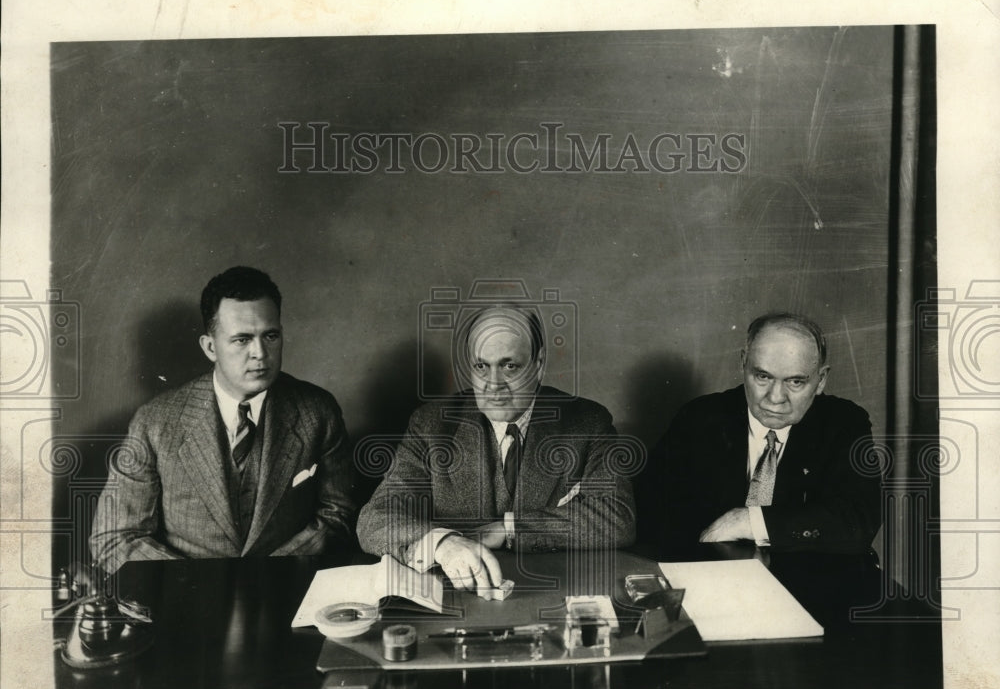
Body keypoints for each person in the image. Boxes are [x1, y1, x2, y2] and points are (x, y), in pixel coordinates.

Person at [90, 266, 357, 572]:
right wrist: (198, 584)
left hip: (288, 593)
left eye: (270, 336)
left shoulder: (317, 411)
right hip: (186, 601)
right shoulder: (155, 423)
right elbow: (115, 537)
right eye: (242, 340)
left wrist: (269, 575)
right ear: (210, 347)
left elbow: (339, 514)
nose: (260, 353)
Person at [356, 304, 636, 595]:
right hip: (457, 598)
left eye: (509, 366)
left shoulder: (587, 421)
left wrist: (509, 528)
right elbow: (375, 518)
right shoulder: (431, 424)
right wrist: (441, 543)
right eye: (481, 366)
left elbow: (618, 517)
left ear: (538, 365)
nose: (493, 385)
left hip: (552, 593)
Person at [644, 313, 882, 566]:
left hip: (810, 582)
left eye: (795, 381)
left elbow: (858, 521)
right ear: (743, 364)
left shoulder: (843, 422)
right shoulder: (699, 417)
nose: (776, 398)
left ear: (821, 380)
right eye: (763, 377)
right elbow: (653, 512)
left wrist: (750, 521)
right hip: (718, 579)